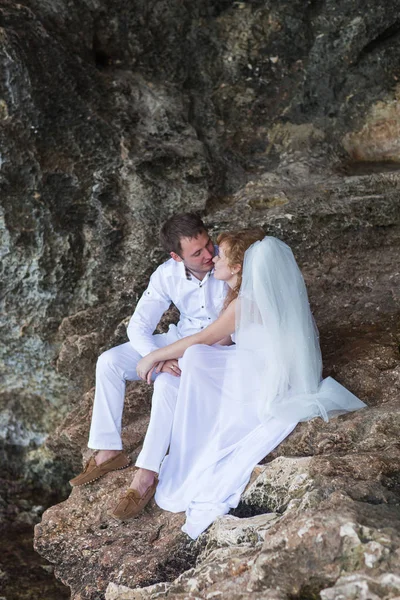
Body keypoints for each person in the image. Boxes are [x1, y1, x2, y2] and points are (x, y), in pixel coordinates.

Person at [110, 231, 367, 538]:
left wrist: (150, 358)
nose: (213, 258)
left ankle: (183, 441)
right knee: (195, 359)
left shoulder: (245, 302)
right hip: (254, 364)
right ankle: (152, 465)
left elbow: (204, 339)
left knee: (196, 356)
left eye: (220, 254)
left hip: (258, 378)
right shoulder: (247, 296)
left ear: (236, 267)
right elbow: (218, 338)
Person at [70, 213, 229, 496]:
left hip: (214, 349)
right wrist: (159, 356)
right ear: (176, 257)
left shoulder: (227, 263)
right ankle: (108, 450)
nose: (208, 254)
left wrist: (163, 359)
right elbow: (138, 325)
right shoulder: (166, 274)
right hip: (177, 340)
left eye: (208, 244)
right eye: (197, 252)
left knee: (167, 383)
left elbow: (230, 329)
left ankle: (147, 472)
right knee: (109, 362)